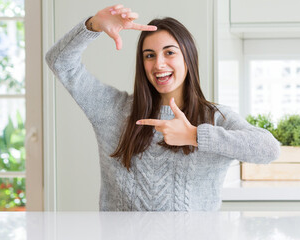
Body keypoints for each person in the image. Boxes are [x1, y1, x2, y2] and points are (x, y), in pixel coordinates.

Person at [45, 4, 280, 211]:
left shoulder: (214, 117)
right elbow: (59, 61)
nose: (159, 64)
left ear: (188, 58)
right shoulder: (112, 109)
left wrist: (195, 135)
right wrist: (94, 25)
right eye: (149, 55)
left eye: (169, 52)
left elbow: (269, 149)